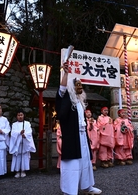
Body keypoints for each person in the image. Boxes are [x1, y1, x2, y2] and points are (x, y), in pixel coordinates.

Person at [55, 61, 102, 195]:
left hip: (82, 136)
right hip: (71, 137)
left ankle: (88, 187)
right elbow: (61, 90)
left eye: (80, 84)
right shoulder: (66, 100)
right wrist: (65, 73)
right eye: (77, 84)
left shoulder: (80, 102)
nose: (80, 86)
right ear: (72, 87)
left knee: (86, 162)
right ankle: (69, 191)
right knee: (72, 164)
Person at [9, 109, 36, 178]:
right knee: (17, 157)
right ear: (16, 116)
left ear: (23, 116)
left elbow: (29, 132)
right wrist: (19, 133)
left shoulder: (27, 123)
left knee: (24, 156)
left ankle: (23, 170)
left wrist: (25, 135)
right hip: (17, 144)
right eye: (18, 115)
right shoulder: (14, 124)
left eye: (21, 115)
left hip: (24, 143)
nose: (20, 116)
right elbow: (13, 133)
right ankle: (17, 171)